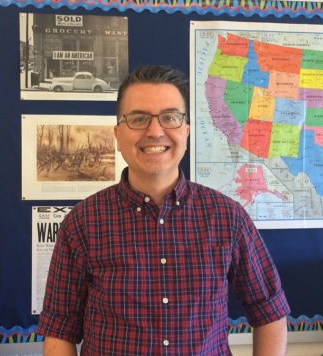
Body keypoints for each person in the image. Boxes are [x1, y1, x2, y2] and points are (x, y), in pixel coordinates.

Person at [38, 65, 290, 355]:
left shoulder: (228, 218)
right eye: (139, 119)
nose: (155, 131)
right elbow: (60, 331)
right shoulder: (82, 223)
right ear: (118, 134)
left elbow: (269, 312)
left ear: (186, 130)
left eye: (170, 118)